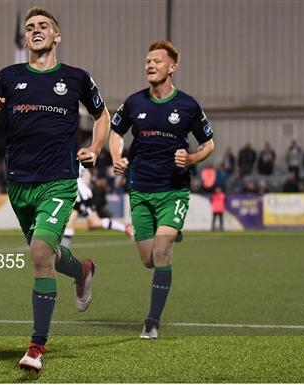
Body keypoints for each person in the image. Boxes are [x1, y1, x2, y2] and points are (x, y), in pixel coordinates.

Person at [0, 7, 110, 372]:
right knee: (45, 254)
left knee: (37, 253)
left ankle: (36, 346)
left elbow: (103, 115)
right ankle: (82, 270)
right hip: (19, 183)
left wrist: (95, 150)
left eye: (43, 26)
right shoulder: (7, 77)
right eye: (30, 27)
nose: (35, 31)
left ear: (56, 36)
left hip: (60, 179)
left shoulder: (76, 78)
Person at [109, 40, 214, 339]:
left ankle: (152, 321)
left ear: (173, 66)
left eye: (157, 60)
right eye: (147, 61)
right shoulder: (134, 103)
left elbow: (209, 143)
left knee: (162, 251)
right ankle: (170, 234)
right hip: (140, 189)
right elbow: (116, 132)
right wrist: (117, 157)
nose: (150, 65)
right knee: (148, 260)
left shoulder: (188, 106)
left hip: (173, 190)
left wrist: (192, 158)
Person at [61, 165, 132, 248]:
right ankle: (63, 255)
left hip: (80, 194)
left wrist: (83, 186)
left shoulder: (72, 155)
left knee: (94, 222)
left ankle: (125, 227)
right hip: (74, 192)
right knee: (68, 224)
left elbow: (86, 173)